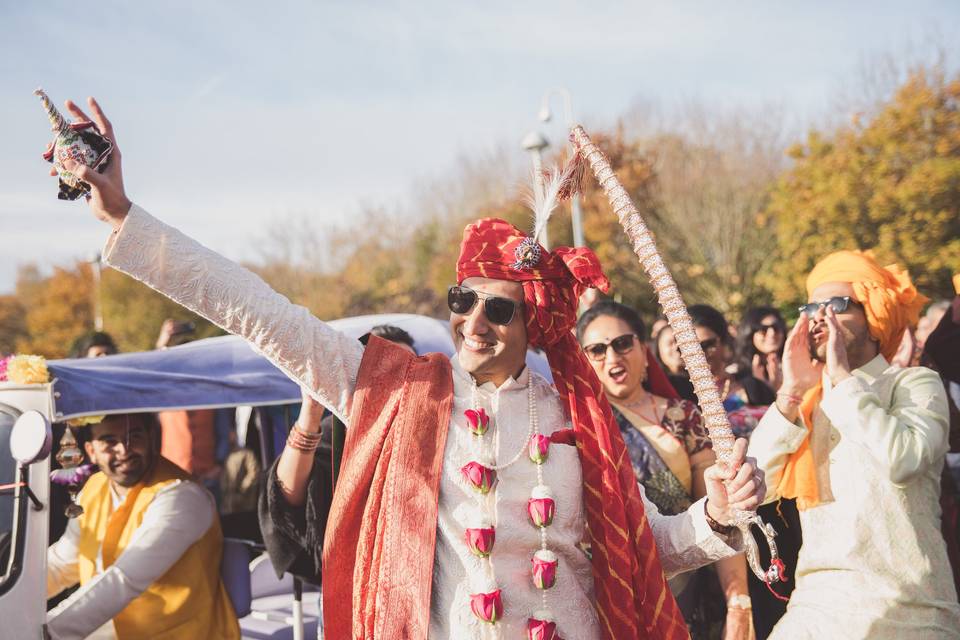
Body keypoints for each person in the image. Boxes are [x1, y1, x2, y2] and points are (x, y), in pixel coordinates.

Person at [54, 96, 767, 639]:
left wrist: (719, 516)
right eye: (465, 301)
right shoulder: (399, 393)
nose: (475, 323)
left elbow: (654, 549)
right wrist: (126, 219)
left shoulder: (578, 421)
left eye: (499, 310)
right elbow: (263, 315)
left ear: (535, 326)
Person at [747, 250, 960, 638]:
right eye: (812, 305)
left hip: (909, 611)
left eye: (837, 305)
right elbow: (754, 486)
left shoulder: (913, 384)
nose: (819, 316)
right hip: (816, 607)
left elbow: (903, 459)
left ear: (874, 316)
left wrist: (844, 379)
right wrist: (791, 392)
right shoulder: (806, 402)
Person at [578, 301, 753, 640]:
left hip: (689, 585)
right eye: (597, 350)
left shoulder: (683, 416)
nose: (612, 357)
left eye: (622, 344)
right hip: (610, 593)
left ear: (644, 351)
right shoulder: (579, 426)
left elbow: (723, 511)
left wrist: (739, 602)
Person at [45, 413, 239, 640]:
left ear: (151, 438)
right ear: (91, 452)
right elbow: (61, 565)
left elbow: (125, 579)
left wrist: (47, 632)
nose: (124, 450)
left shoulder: (182, 496)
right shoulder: (93, 489)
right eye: (109, 441)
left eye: (134, 436)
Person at [689, 305, 775, 411]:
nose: (700, 353)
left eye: (707, 345)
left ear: (724, 341)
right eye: (690, 349)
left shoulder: (751, 386)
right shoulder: (682, 399)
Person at [735, 308, 786, 395]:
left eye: (776, 327)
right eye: (763, 329)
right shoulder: (736, 374)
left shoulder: (795, 365)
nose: (772, 333)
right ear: (750, 334)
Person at [654, 323, 697, 401]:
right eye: (670, 343)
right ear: (658, 349)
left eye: (681, 342)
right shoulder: (654, 385)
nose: (677, 347)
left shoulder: (701, 381)